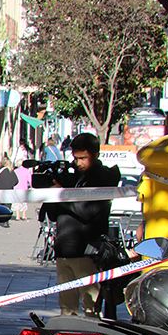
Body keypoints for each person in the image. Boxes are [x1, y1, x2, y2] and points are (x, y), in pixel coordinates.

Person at [40, 133, 120, 316]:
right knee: (67, 310)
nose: (78, 163)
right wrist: (52, 195)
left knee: (91, 309)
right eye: (75, 158)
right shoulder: (73, 176)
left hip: (87, 252)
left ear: (95, 154)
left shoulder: (102, 177)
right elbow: (53, 215)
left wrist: (62, 194)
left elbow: (87, 211)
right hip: (64, 250)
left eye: (83, 158)